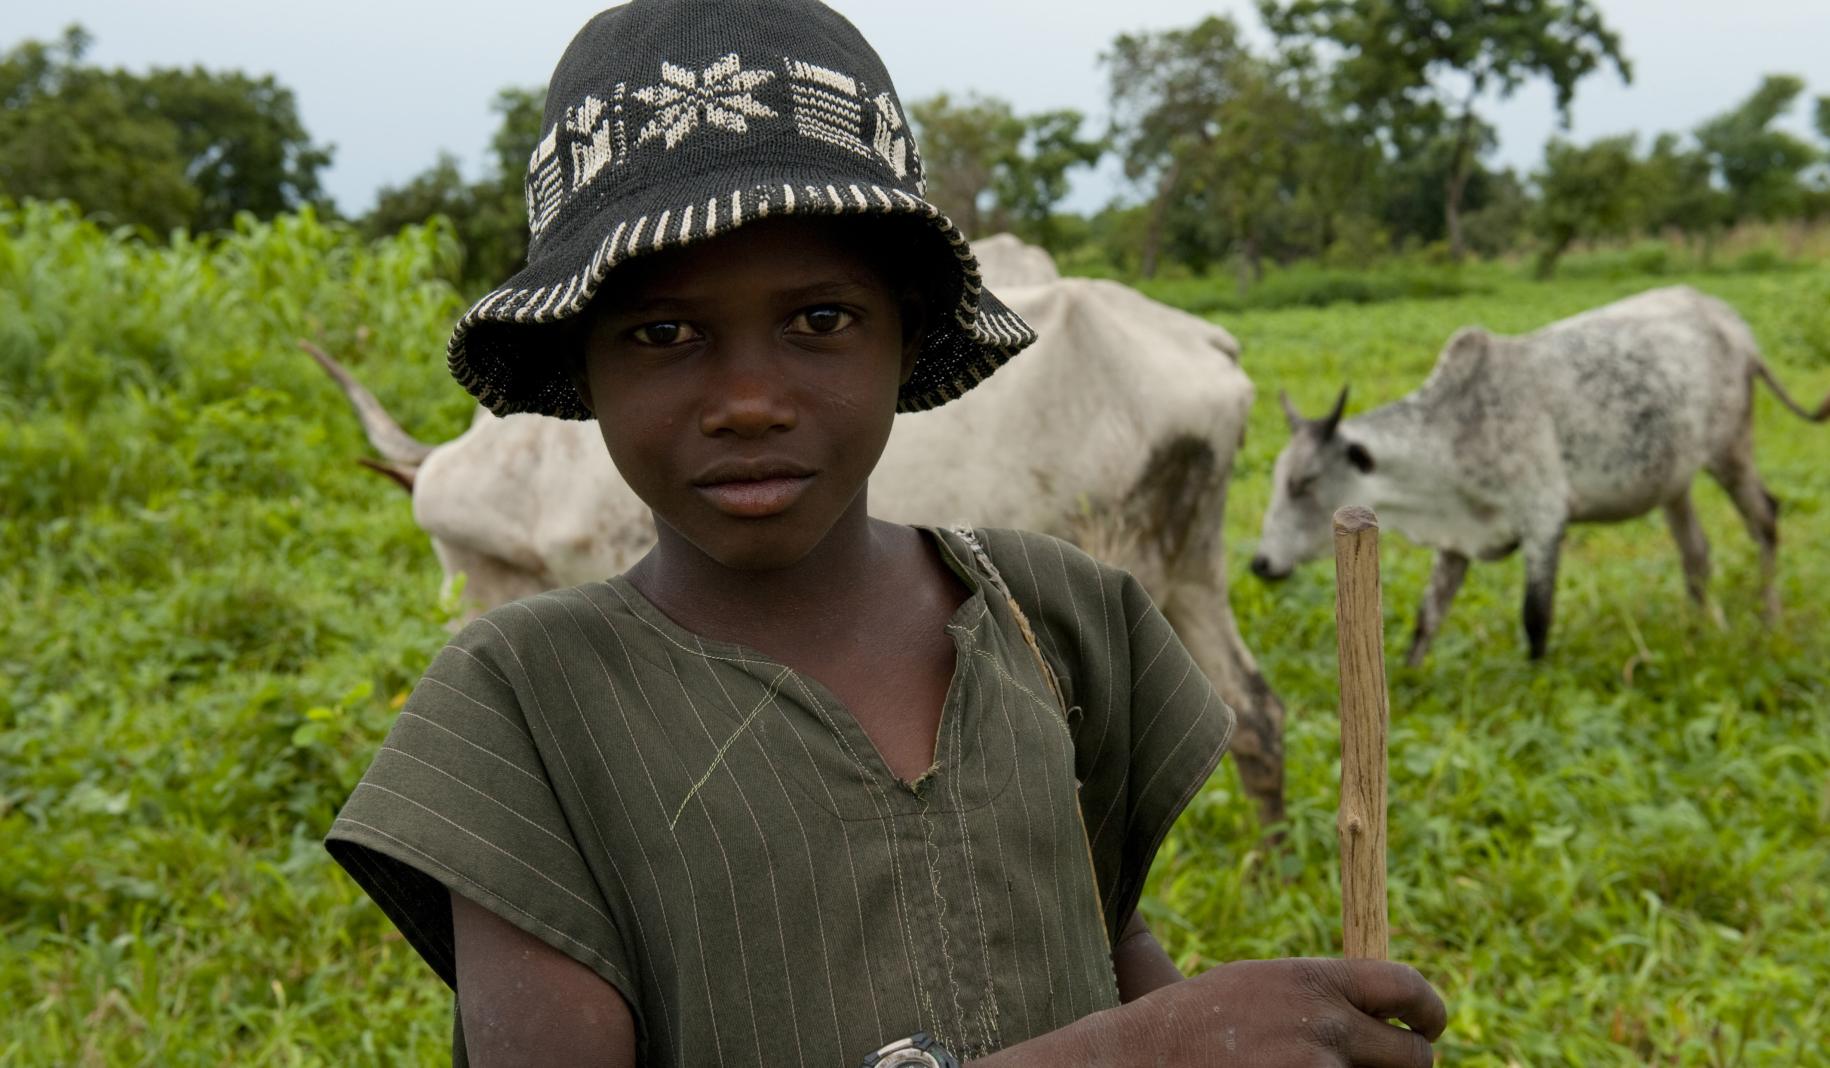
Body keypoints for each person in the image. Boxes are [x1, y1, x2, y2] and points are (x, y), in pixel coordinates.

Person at [325, 1, 1448, 1064]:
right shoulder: (517, 707)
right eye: (664, 332)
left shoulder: (1058, 615)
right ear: (581, 365)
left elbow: (1103, 947)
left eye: (822, 320)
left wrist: (1247, 1034)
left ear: (909, 340)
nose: (750, 398)